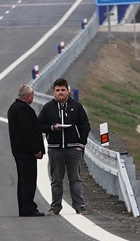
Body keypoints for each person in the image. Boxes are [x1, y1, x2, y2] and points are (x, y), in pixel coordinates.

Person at [38, 78, 90, 215]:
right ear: (53, 92)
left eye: (63, 90)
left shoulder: (77, 107)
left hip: (74, 149)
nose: (60, 92)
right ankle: (55, 207)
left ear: (68, 91)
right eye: (57, 90)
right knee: (56, 180)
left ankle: (79, 205)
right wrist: (52, 128)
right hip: (55, 149)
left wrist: (81, 144)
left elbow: (85, 126)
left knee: (75, 179)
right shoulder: (48, 108)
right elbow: (39, 125)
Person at [7, 84, 46, 217]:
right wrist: (36, 149)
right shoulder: (24, 110)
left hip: (19, 151)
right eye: (32, 96)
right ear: (29, 96)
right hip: (26, 152)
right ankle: (28, 208)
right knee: (28, 181)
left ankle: (24, 208)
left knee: (23, 181)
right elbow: (28, 133)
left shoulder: (13, 108)